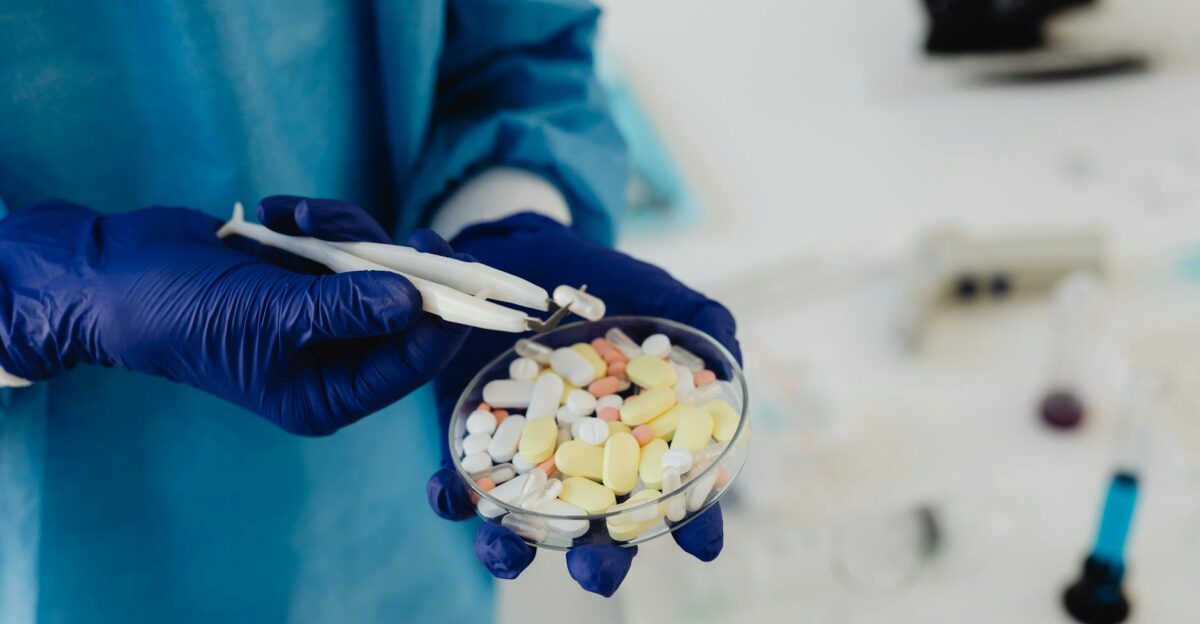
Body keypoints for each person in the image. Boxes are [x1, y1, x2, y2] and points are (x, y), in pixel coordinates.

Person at [0, 1, 740, 621]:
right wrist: (30, 300)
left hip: (386, 501)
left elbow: (521, 52)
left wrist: (503, 209)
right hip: (70, 529)